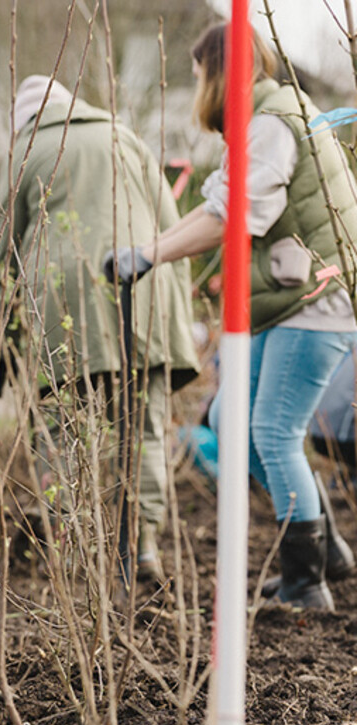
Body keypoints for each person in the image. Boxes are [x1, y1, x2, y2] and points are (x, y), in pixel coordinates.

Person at [104, 24, 357, 610]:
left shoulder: (271, 125)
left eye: (197, 77)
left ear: (217, 73)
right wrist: (151, 249)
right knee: (228, 417)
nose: (197, 89)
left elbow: (234, 220)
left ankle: (306, 581)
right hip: (290, 302)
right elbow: (219, 203)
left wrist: (153, 254)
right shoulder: (265, 119)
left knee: (270, 432)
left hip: (314, 305)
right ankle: (327, 550)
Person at [0, 75, 200, 582]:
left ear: (24, 119)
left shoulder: (27, 150)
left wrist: (5, 336)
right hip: (145, 293)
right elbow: (174, 225)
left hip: (66, 302)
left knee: (65, 430)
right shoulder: (124, 135)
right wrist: (175, 311)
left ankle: (73, 550)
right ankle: (143, 544)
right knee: (144, 428)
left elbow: (5, 254)